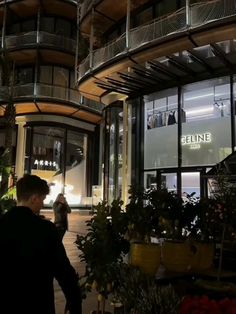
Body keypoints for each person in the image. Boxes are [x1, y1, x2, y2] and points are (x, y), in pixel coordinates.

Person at [0, 174, 82, 314]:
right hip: (38, 304)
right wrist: (74, 301)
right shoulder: (46, 229)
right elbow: (63, 271)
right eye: (42, 199)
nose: (43, 204)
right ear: (34, 198)